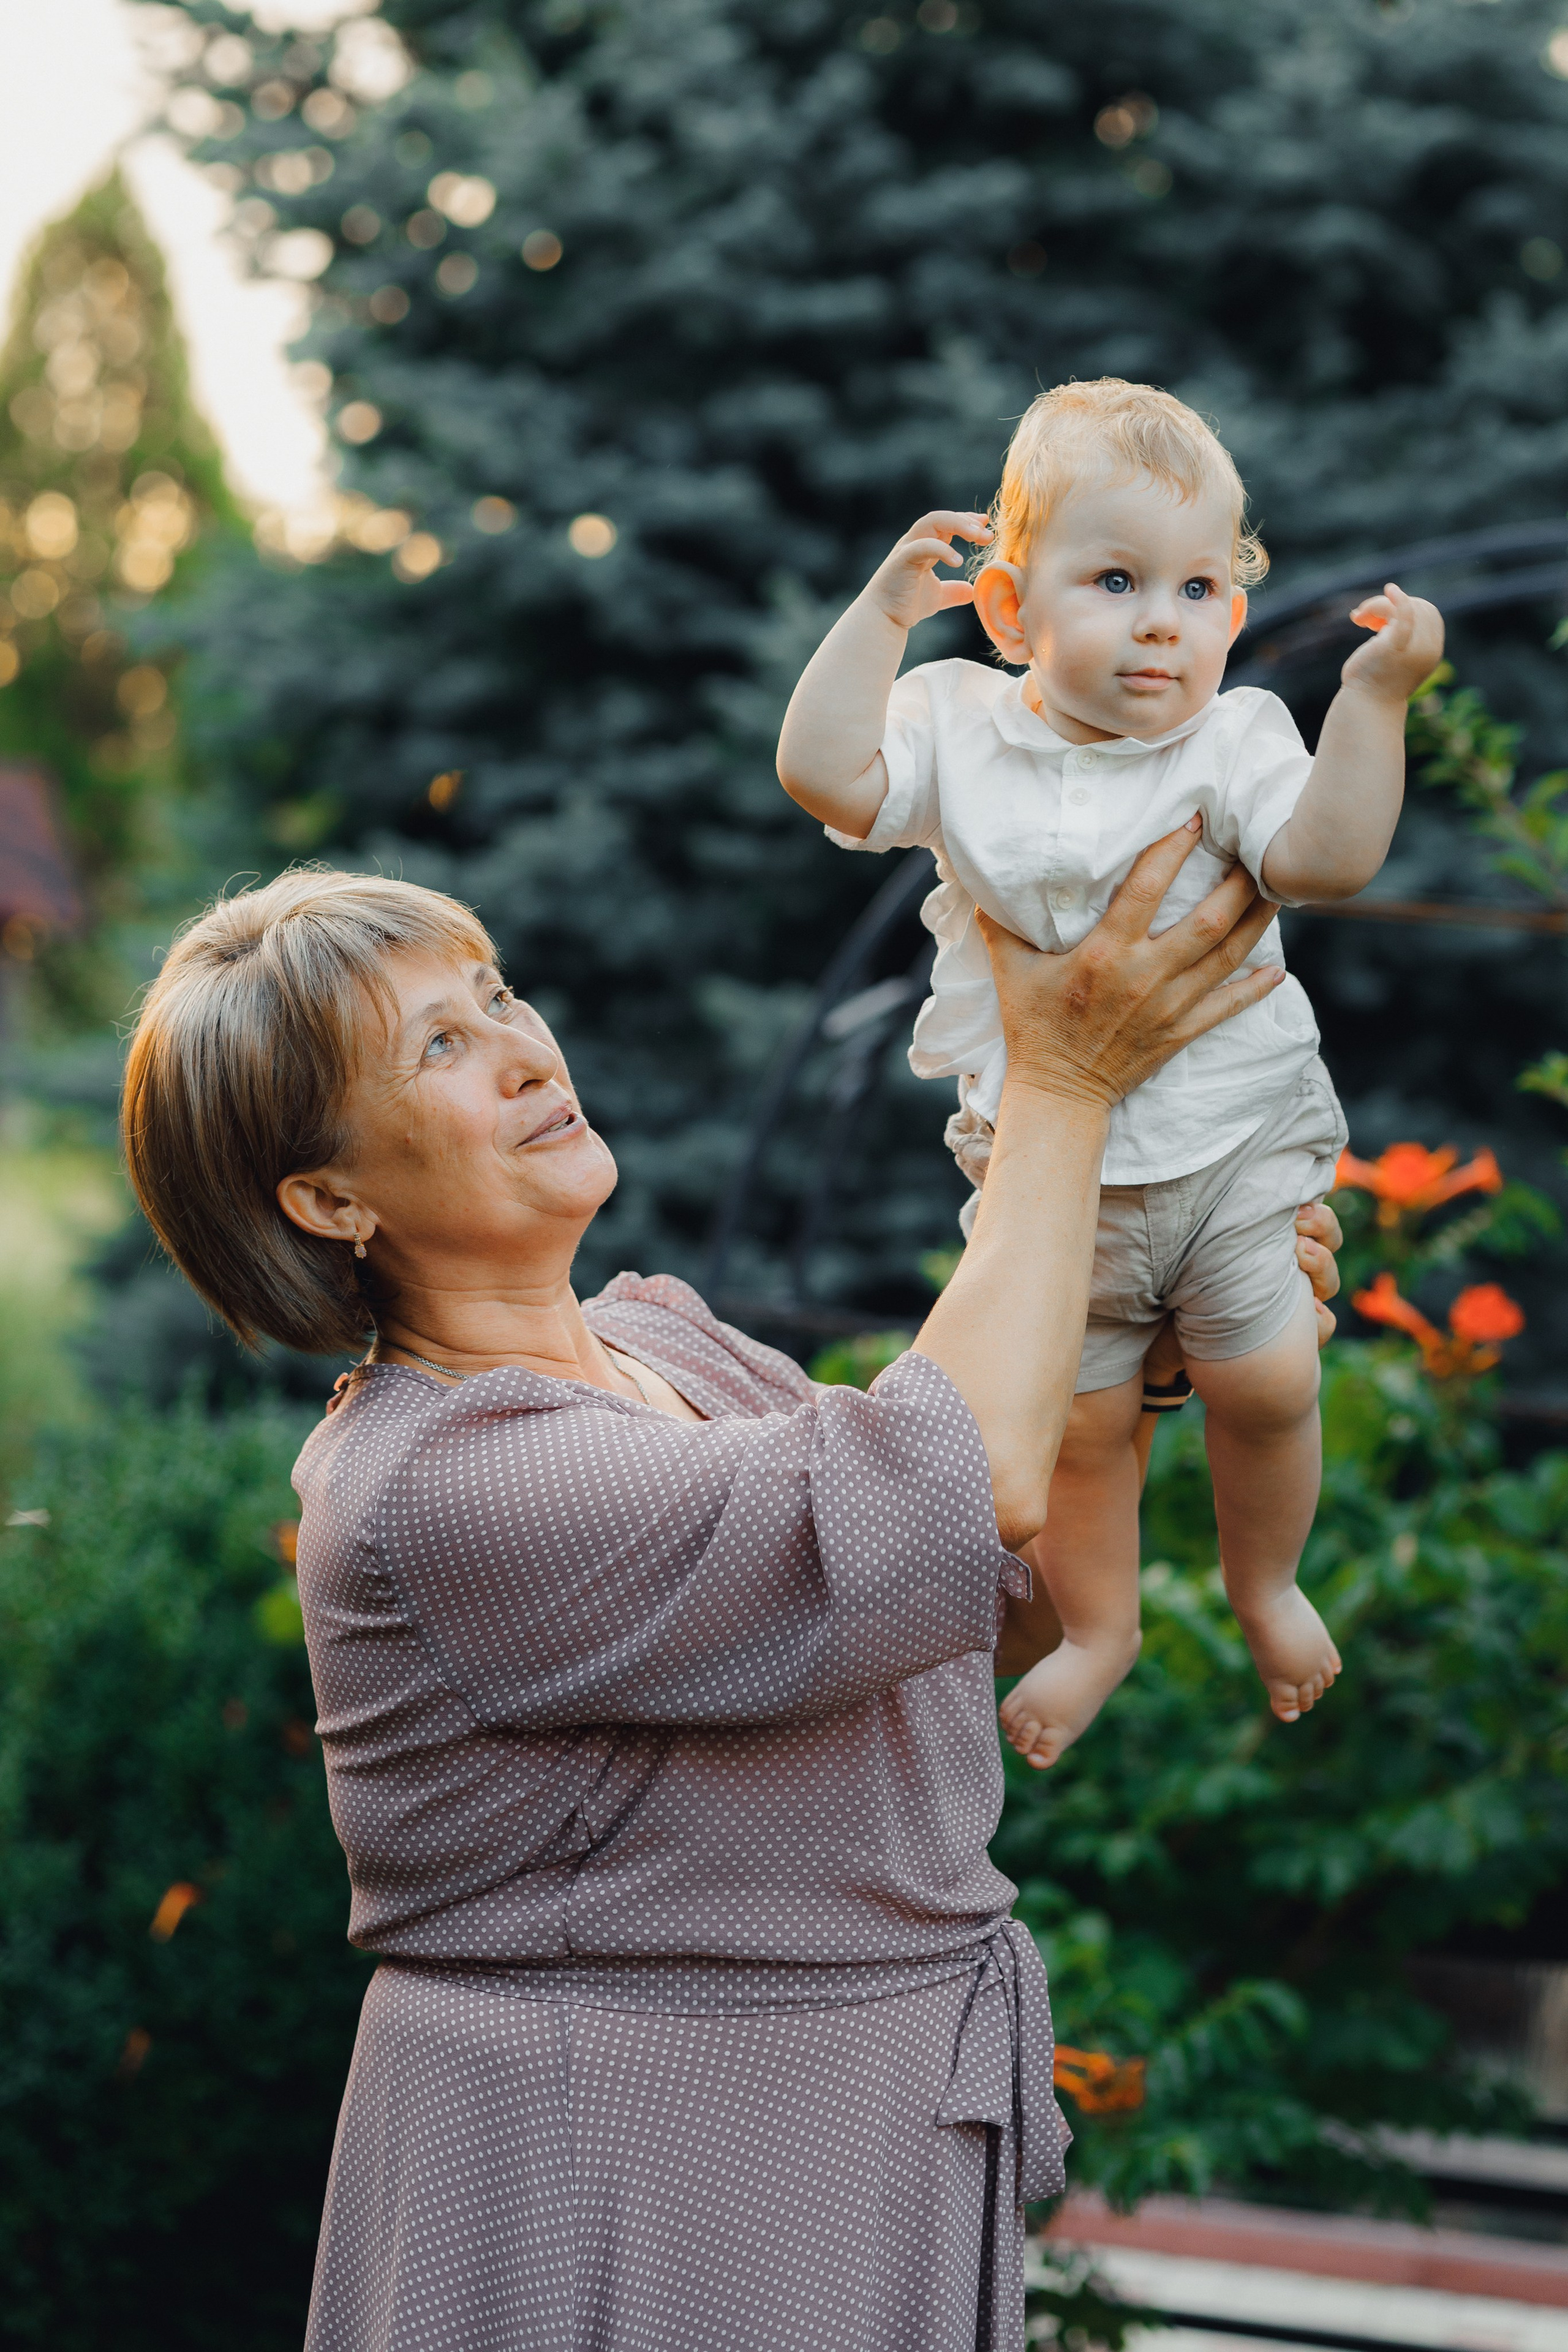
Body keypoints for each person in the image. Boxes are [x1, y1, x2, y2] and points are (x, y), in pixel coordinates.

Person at [117, 843, 1334, 2352]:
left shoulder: (678, 1355)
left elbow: (986, 1588)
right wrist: (1064, 1085)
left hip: (858, 2116)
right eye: (437, 1044)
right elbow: (937, 1489)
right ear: (327, 1197)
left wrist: (1139, 1360)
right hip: (627, 2150)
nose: (517, 1050)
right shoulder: (438, 1484)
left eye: (495, 996)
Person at [777, 375, 1442, 1768]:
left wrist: (1371, 701)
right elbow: (826, 777)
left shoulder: (1239, 739)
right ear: (1012, 610)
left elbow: (1322, 859)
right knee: (1073, 1438)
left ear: (1234, 618)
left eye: (1200, 587)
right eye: (1117, 580)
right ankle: (1099, 1631)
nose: (1161, 619)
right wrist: (880, 618)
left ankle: (1264, 1584)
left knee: (1262, 1383)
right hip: (1049, 1184)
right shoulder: (956, 723)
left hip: (1227, 1152)